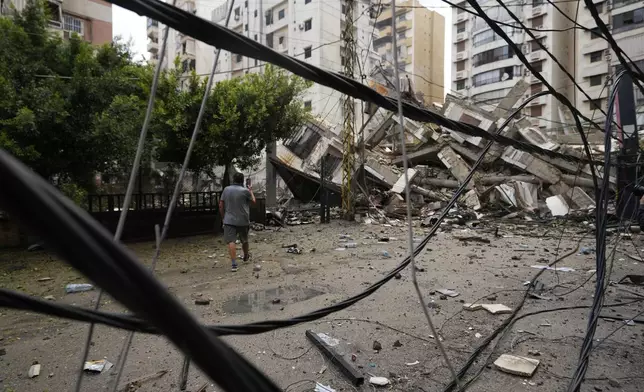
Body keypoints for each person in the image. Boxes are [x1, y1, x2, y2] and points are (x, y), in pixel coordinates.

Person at [219, 173, 256, 272]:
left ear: (233, 179)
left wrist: (223, 217)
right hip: (243, 220)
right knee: (244, 240)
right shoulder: (245, 191)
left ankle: (234, 264)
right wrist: (250, 190)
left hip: (229, 220)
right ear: (242, 180)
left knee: (231, 241)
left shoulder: (226, 189)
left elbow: (221, 205)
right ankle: (246, 255)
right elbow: (253, 201)